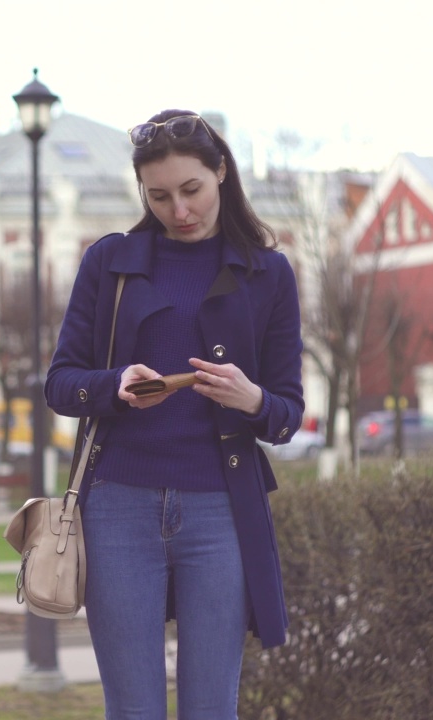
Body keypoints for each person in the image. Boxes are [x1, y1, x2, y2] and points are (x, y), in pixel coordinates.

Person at [45, 110, 304, 719]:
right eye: (158, 196)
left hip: (221, 510)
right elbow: (60, 385)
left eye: (192, 191)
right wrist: (114, 386)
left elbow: (287, 414)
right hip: (117, 509)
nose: (179, 210)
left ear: (221, 173)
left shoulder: (269, 273)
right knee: (133, 710)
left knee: (211, 710)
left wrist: (252, 399)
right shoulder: (107, 263)